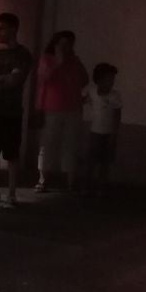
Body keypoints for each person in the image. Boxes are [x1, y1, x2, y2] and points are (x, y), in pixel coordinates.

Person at [0, 13, 33, 206]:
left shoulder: (23, 54)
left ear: (13, 29)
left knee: (11, 152)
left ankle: (11, 193)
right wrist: (4, 78)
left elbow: (16, 81)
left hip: (11, 111)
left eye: (1, 28)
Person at [35, 30, 89, 193]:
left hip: (73, 108)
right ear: (56, 43)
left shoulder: (75, 61)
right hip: (52, 108)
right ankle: (43, 179)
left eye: (69, 44)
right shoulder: (47, 59)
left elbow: (84, 80)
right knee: (48, 144)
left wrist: (74, 62)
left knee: (70, 145)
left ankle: (70, 181)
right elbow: (44, 78)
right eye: (63, 44)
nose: (66, 47)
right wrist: (58, 61)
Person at [86, 63, 122, 196]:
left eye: (112, 80)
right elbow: (84, 100)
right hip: (95, 132)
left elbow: (117, 114)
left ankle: (101, 186)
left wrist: (114, 132)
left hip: (108, 133)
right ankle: (88, 185)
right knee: (91, 160)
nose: (111, 83)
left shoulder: (115, 96)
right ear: (99, 80)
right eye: (108, 79)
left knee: (104, 162)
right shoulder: (92, 92)